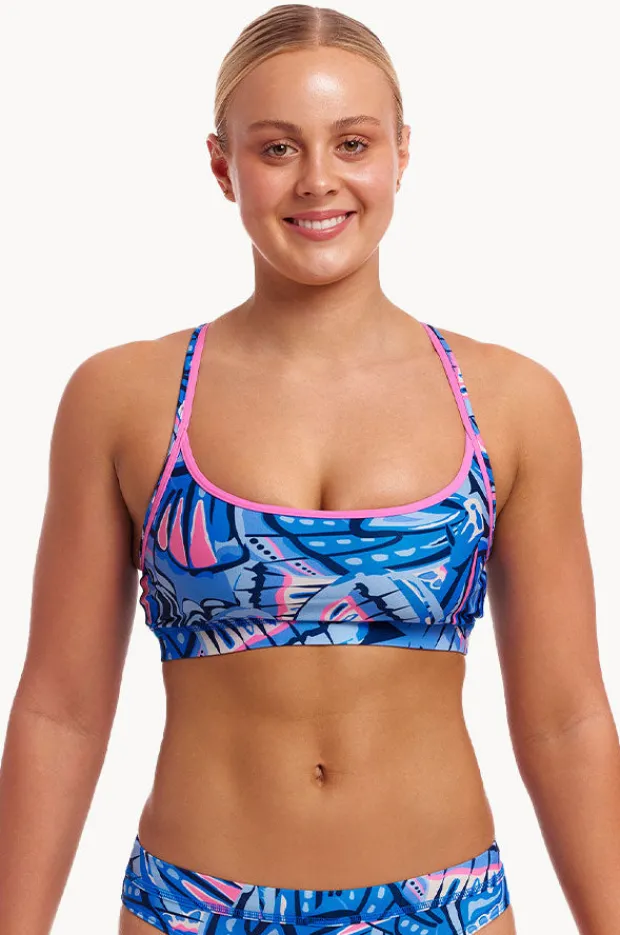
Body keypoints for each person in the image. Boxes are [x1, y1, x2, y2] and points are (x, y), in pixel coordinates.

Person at [1, 4, 618, 934]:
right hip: (193, 908)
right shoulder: (124, 398)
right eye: (278, 147)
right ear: (223, 166)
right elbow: (61, 710)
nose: (319, 179)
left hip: (443, 908)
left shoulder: (512, 402)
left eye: (353, 143)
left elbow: (565, 716)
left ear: (402, 153)